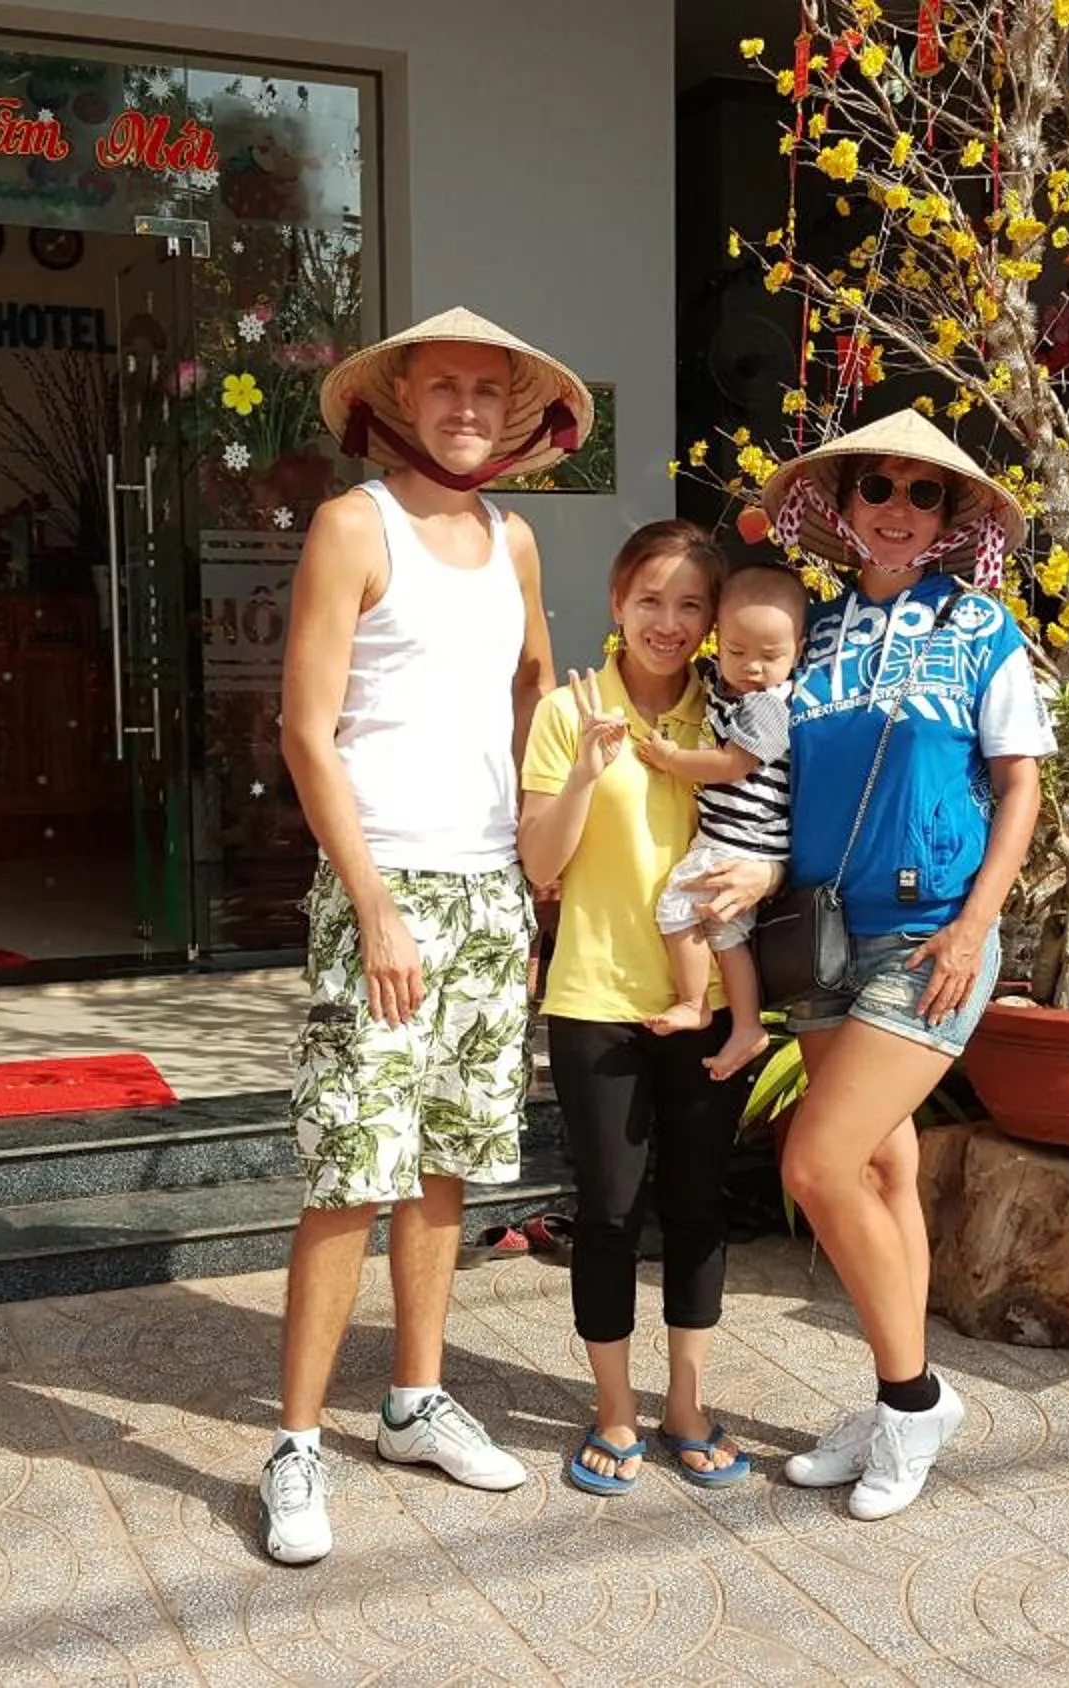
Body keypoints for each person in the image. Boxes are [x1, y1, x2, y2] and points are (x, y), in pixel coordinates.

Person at [264, 307, 591, 1566]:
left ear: (514, 411)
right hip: (381, 883)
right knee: (354, 1167)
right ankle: (296, 1443)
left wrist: (533, 870)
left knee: (447, 1160)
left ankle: (412, 1396)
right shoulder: (358, 523)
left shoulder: (514, 539)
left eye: (486, 388)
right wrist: (372, 901)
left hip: (483, 891)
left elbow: (537, 692)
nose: (465, 403)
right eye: (443, 382)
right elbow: (305, 726)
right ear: (401, 395)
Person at [691, 410, 1047, 1521]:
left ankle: (915, 1394)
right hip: (823, 935)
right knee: (881, 1173)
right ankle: (902, 1406)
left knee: (816, 1162)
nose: (897, 510)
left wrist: (978, 923)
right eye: (876, 489)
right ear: (840, 511)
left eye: (923, 494)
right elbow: (759, 775)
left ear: (950, 519)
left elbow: (1021, 784)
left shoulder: (981, 626)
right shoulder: (813, 632)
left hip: (931, 932)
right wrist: (744, 872)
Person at [517, 521, 756, 1495]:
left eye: (690, 603)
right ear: (617, 602)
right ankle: (614, 1408)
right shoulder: (569, 710)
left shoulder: (734, 717)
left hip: (702, 1002)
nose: (669, 620)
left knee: (699, 1207)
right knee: (610, 1209)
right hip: (594, 998)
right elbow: (542, 863)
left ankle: (687, 1406)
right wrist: (585, 766)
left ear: (713, 619)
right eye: (649, 598)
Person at [633, 564, 809, 1082]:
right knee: (725, 930)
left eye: (771, 656)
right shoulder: (727, 686)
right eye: (736, 652)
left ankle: (694, 1003)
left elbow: (732, 764)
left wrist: (670, 758)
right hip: (740, 840)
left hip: (739, 840)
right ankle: (748, 1024)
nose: (752, 667)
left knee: (675, 906)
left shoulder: (768, 707)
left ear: (798, 648)